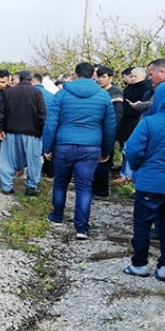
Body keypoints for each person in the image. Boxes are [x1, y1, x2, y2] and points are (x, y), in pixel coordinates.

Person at [43, 62, 116, 240]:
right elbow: (110, 126)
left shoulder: (62, 94)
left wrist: (47, 147)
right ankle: (81, 227)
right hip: (90, 147)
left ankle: (57, 216)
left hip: (64, 145)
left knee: (60, 181)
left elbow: (51, 123)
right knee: (84, 186)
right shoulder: (103, 96)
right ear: (93, 75)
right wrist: (106, 150)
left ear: (75, 75)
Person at [121, 79, 165, 281]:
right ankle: (163, 267)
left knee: (142, 224)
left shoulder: (149, 122)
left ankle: (139, 264)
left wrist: (139, 167)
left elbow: (132, 149)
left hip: (149, 183)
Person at [0, 70, 46, 196]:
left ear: (19, 79)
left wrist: (0, 129)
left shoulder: (9, 92)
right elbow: (42, 114)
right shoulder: (36, 92)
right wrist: (41, 131)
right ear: (32, 80)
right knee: (33, 161)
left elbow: (0, 112)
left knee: (7, 160)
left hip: (10, 131)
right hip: (31, 132)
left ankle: (7, 186)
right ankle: (31, 186)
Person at [115, 67, 152, 184]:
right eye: (131, 76)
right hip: (126, 121)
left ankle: (127, 174)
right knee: (125, 147)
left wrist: (136, 108)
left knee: (130, 147)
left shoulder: (145, 88)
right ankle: (125, 172)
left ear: (142, 76)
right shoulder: (130, 87)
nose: (132, 78)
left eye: (134, 76)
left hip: (135, 122)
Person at [92, 65, 123, 198]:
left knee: (103, 161)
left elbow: (117, 115)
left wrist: (110, 131)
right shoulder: (96, 91)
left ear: (110, 78)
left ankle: (102, 191)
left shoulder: (115, 92)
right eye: (98, 76)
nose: (100, 80)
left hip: (107, 131)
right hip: (95, 131)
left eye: (103, 77)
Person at [32, 73, 55, 178]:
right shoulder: (52, 96)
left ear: (32, 81)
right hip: (48, 127)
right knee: (47, 151)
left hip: (32, 128)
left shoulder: (30, 94)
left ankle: (32, 176)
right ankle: (49, 174)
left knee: (32, 153)